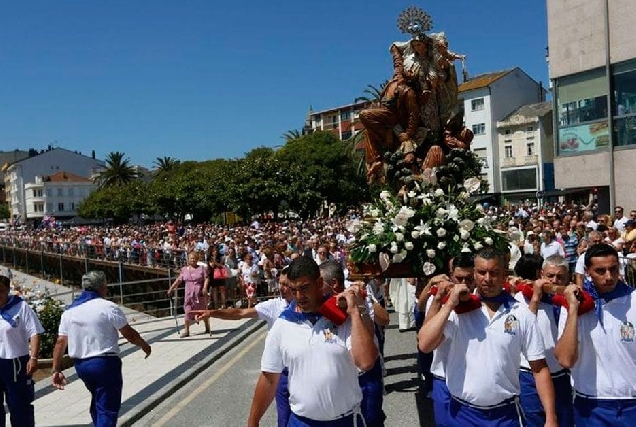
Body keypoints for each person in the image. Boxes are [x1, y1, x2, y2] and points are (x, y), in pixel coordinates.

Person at [419, 248, 557, 427]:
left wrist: (550, 417)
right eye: (482, 272)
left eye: (494, 273)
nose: (488, 278)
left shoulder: (523, 314)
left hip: (504, 415)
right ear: (474, 274)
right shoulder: (458, 311)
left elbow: (539, 368)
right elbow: (425, 344)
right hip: (462, 414)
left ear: (504, 275)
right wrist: (450, 303)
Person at [247, 256, 378, 426]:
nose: (299, 296)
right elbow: (269, 378)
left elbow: (366, 362)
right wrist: (253, 421)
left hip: (345, 421)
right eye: (294, 290)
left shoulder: (342, 317)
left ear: (319, 283)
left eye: (304, 288)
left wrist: (355, 312)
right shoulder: (282, 325)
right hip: (301, 422)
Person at [193, 267, 293, 427]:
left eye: (286, 284)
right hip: (281, 373)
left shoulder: (311, 307)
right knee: (285, 419)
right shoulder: (274, 306)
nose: (281, 288)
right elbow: (240, 312)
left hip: (303, 370)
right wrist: (213, 312)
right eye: (280, 283)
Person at [52, 271, 151, 427]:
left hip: (82, 366)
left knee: (98, 400)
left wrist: (55, 369)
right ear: (102, 287)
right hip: (105, 362)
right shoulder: (108, 307)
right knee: (107, 407)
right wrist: (145, 346)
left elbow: (60, 342)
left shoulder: (69, 311)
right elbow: (129, 334)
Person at [555, 243, 636, 425]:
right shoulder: (573, 306)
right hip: (590, 406)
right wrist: (574, 310)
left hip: (632, 404)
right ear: (587, 271)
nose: (609, 277)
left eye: (613, 269)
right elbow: (565, 359)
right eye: (600, 271)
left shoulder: (634, 300)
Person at [514, 255, 574, 427]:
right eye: (550, 276)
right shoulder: (522, 298)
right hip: (531, 375)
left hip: (560, 375)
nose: (554, 281)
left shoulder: (569, 302)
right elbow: (523, 330)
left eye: (560, 277)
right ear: (541, 274)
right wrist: (535, 299)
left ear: (567, 278)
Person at [421, 254, 475, 426]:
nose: (464, 283)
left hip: (472, 378)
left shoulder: (485, 298)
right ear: (451, 275)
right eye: (459, 278)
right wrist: (442, 301)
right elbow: (423, 339)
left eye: (469, 278)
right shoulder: (438, 298)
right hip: (443, 376)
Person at [0, 270, 43, 427]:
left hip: (16, 362)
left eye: (1, 291)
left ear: (7, 291)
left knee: (19, 404)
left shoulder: (20, 306)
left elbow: (34, 332)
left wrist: (34, 357)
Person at [167, 251, 210, 338]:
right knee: (187, 311)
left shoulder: (202, 268)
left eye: (194, 258)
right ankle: (187, 330)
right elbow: (179, 280)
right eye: (191, 258)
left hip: (199, 293)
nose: (193, 260)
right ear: (188, 260)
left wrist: (205, 288)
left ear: (197, 259)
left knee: (202, 310)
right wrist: (171, 288)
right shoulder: (184, 269)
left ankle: (207, 327)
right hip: (189, 293)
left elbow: (206, 278)